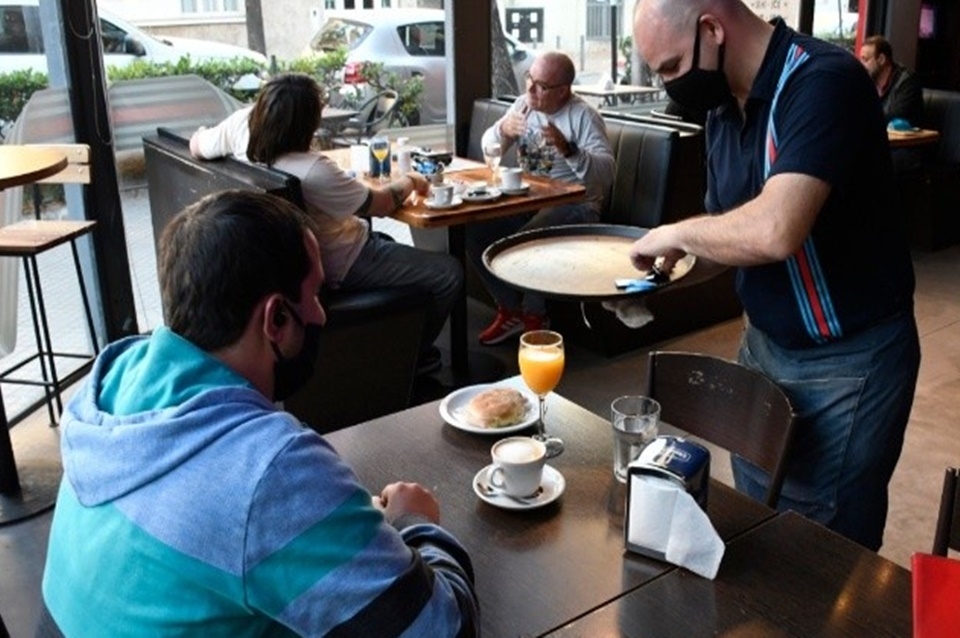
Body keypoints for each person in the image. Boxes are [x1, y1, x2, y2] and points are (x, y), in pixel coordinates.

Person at [39, 190, 480, 636]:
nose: (321, 315)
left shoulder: (112, 384)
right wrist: (414, 521)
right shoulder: (270, 471)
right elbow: (445, 629)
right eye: (315, 294)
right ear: (276, 318)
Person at [630, 0, 920, 551]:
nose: (669, 85)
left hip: (848, 362)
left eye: (671, 66)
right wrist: (657, 276)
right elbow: (729, 238)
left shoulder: (823, 81)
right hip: (763, 348)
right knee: (758, 517)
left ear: (712, 30)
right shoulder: (722, 109)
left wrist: (677, 233)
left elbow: (774, 230)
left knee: (817, 547)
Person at [193, 73, 462, 376]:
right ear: (307, 123)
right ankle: (412, 358)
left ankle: (395, 341)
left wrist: (203, 132)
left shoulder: (239, 126)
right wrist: (412, 179)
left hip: (293, 263)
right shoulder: (314, 170)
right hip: (343, 264)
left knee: (391, 245)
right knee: (448, 273)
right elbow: (382, 204)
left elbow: (197, 146)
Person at [466, 51, 616, 345]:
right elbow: (488, 148)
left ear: (563, 91)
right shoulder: (524, 105)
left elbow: (607, 173)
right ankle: (511, 308)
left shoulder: (583, 116)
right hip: (528, 200)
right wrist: (501, 131)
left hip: (575, 205)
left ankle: (536, 315)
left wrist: (569, 149)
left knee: (528, 241)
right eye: (529, 79)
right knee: (473, 228)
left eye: (541, 86)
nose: (530, 89)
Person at [859, 35, 924, 126]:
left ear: (881, 59)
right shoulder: (869, 81)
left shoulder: (907, 81)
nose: (861, 66)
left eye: (865, 60)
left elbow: (896, 116)